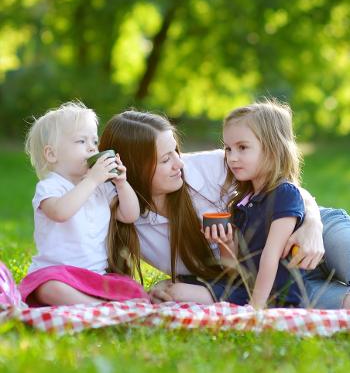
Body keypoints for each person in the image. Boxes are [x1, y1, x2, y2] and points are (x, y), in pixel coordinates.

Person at [100, 109, 350, 308]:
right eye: (166, 159)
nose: (179, 163)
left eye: (176, 151)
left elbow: (286, 188)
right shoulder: (126, 219)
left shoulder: (211, 166)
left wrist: (312, 225)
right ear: (132, 170)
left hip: (312, 230)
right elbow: (231, 273)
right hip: (276, 280)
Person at [19, 101, 148, 306]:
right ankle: (96, 306)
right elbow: (60, 212)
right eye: (81, 141)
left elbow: (129, 214)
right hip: (58, 274)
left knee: (131, 288)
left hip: (95, 276)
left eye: (94, 142)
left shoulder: (100, 187)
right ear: (52, 154)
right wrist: (92, 180)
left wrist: (122, 184)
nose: (91, 148)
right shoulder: (50, 187)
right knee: (49, 288)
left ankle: (94, 302)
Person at [203, 100, 305, 308]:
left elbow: (272, 253)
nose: (232, 158)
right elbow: (234, 271)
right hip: (247, 290)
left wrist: (256, 306)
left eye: (242, 148)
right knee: (172, 289)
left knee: (184, 292)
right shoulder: (241, 202)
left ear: (272, 149)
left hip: (276, 298)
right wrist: (225, 243)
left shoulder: (284, 194)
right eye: (228, 149)